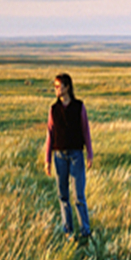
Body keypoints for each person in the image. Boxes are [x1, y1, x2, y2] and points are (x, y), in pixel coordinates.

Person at [44, 73, 93, 238]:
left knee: (79, 195)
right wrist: (47, 160)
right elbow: (50, 134)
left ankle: (85, 231)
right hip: (59, 156)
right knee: (63, 195)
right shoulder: (53, 109)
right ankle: (68, 231)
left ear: (67, 87)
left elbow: (85, 130)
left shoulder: (79, 106)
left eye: (59, 86)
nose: (56, 90)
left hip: (76, 155)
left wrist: (90, 154)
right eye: (55, 87)